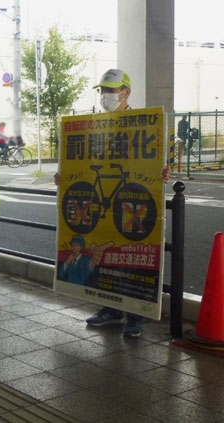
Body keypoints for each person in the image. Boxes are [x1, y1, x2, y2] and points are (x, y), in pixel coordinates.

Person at [55, 68, 172, 337]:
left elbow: (157, 163)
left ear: (126, 92)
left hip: (131, 201)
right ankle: (110, 309)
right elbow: (79, 162)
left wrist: (163, 173)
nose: (106, 95)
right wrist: (65, 176)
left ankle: (135, 317)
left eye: (112, 90)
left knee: (129, 253)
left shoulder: (144, 123)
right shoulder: (94, 125)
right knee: (102, 255)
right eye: (103, 90)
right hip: (100, 204)